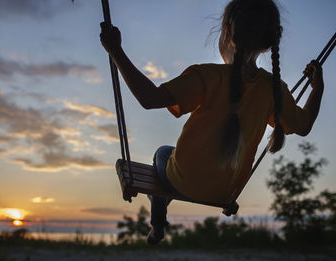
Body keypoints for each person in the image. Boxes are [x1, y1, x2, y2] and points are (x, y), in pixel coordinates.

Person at [100, 0, 324, 245]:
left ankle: (158, 214)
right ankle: (159, 214)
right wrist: (317, 89)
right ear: (268, 43)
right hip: (224, 191)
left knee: (162, 153)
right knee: (172, 164)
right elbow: (303, 125)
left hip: (182, 179)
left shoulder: (206, 76)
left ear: (227, 33)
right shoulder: (274, 89)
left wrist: (116, 51)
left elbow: (149, 98)